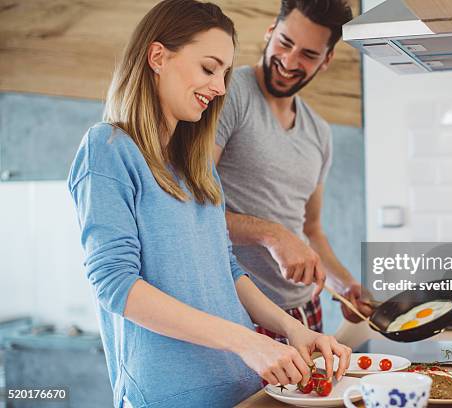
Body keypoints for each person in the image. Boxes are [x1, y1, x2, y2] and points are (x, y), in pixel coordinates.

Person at [67, 1, 350, 407]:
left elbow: (227, 269)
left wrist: (294, 330)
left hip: (242, 388)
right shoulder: (108, 149)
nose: (219, 87)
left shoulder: (197, 168)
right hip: (170, 396)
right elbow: (116, 285)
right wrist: (246, 342)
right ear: (158, 56)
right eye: (208, 68)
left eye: (223, 73)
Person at [214, 0, 373, 342]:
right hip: (240, 311)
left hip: (306, 311)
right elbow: (190, 210)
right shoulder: (229, 95)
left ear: (326, 60)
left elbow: (311, 230)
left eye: (308, 55)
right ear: (271, 32)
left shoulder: (319, 133)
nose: (288, 62)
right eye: (285, 43)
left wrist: (343, 283)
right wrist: (272, 234)